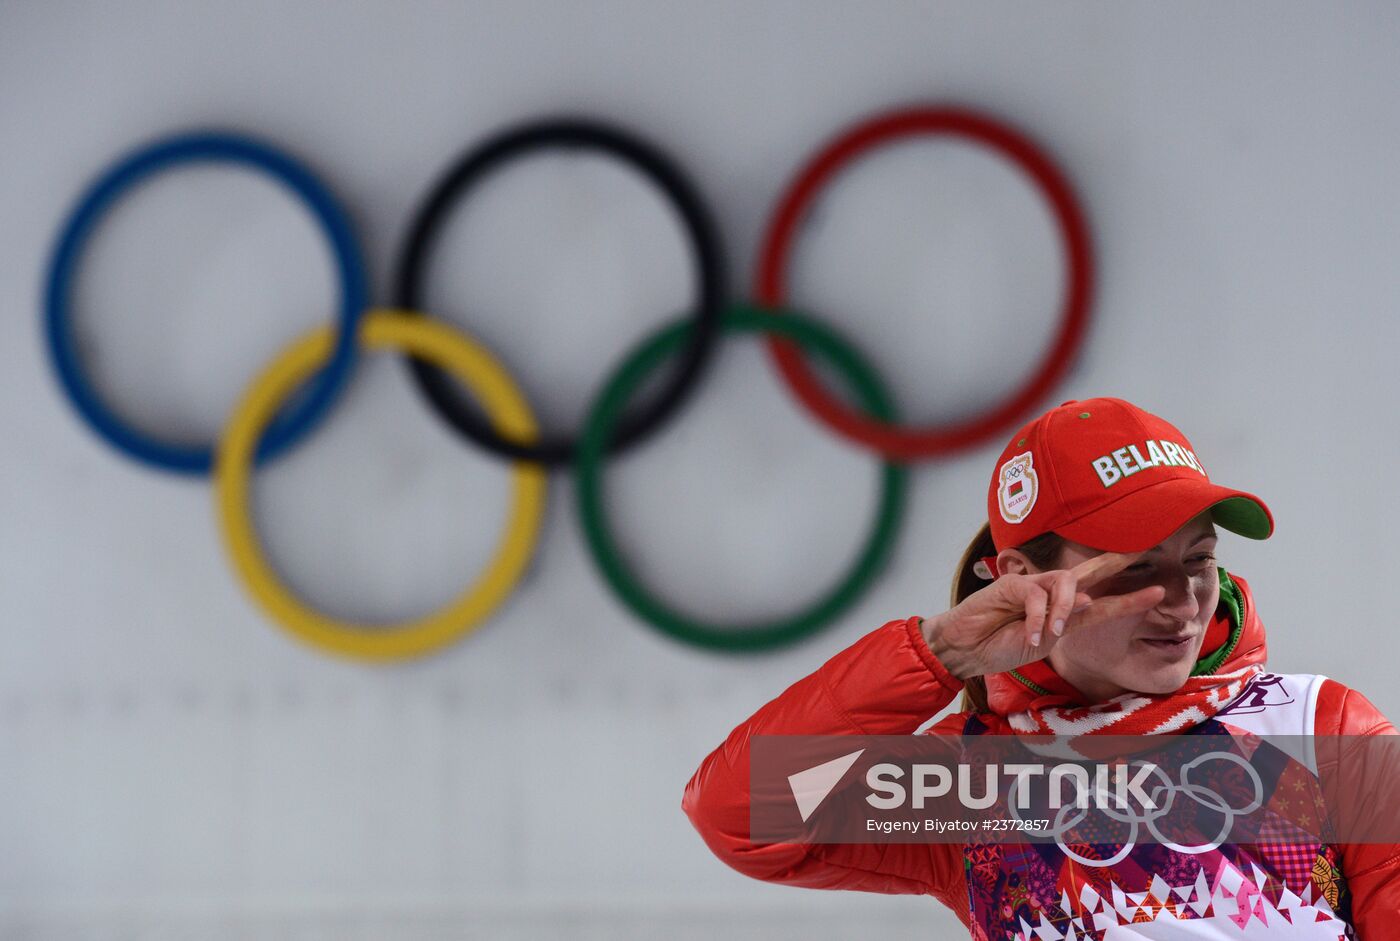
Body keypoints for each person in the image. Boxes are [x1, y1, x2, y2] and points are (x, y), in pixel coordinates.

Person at [682, 397, 1400, 938]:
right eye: (1136, 569)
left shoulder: (1321, 727)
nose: (1181, 602)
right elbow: (741, 816)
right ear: (1022, 577)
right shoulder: (968, 781)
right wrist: (941, 652)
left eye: (1199, 559)